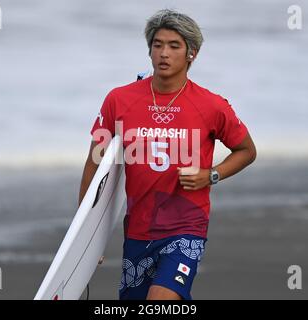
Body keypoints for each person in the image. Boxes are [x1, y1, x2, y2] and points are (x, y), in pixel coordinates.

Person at [78, 9, 256, 300]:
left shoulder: (211, 105)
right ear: (149, 51)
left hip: (186, 226)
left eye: (174, 46)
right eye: (158, 45)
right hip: (138, 228)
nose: (164, 53)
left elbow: (247, 150)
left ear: (191, 54)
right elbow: (96, 164)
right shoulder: (119, 100)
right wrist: (85, 237)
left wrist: (211, 175)